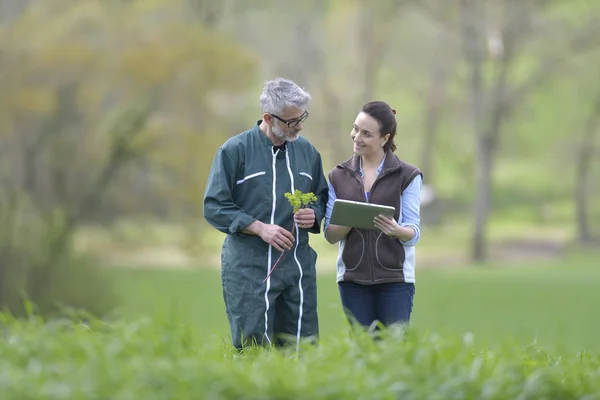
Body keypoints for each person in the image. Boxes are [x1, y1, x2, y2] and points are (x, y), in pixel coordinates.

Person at [203, 78, 329, 351]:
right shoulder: (234, 152)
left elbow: (323, 197)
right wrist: (259, 228)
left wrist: (314, 214)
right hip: (250, 271)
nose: (300, 126)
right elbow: (214, 206)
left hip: (298, 269)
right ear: (268, 118)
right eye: (292, 121)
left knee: (302, 349)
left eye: (302, 118)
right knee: (253, 351)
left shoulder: (307, 152)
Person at [324, 100, 423, 332]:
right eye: (355, 128)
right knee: (362, 349)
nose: (357, 137)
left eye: (367, 134)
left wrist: (396, 230)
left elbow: (414, 233)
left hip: (396, 280)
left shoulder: (407, 176)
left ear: (385, 139)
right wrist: (350, 218)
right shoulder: (338, 176)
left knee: (392, 351)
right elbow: (330, 234)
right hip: (352, 280)